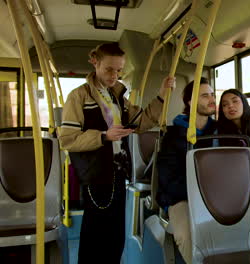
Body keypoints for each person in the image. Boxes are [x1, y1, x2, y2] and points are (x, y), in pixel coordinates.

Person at [59, 42, 173, 263]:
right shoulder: (79, 97)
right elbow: (67, 139)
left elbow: (141, 122)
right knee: (95, 236)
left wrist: (161, 96)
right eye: (109, 69)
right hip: (95, 174)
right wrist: (104, 136)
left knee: (115, 236)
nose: (115, 75)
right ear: (95, 63)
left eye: (119, 70)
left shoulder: (117, 97)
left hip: (118, 172)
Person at [156, 77, 216, 264]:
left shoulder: (219, 131)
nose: (212, 99)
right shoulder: (173, 136)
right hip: (182, 197)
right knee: (186, 234)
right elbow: (168, 179)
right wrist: (200, 191)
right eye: (205, 96)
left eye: (212, 95)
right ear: (190, 102)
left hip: (216, 195)